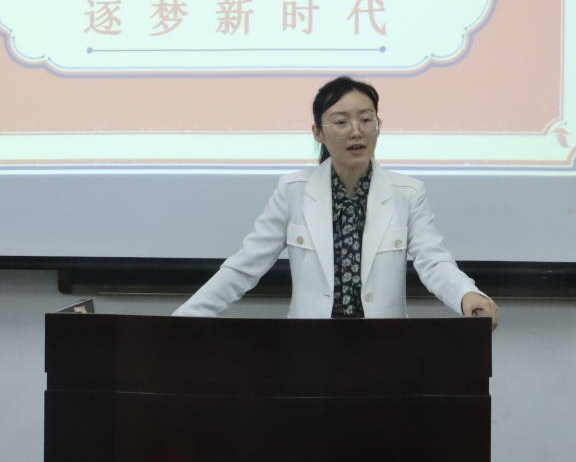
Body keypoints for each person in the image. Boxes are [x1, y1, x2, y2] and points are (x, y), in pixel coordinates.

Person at [174, 76, 498, 327]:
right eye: (341, 122)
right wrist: (184, 319)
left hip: (386, 346)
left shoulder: (407, 193)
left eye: (366, 120)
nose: (356, 132)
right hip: (310, 346)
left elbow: (433, 260)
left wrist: (467, 295)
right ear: (318, 132)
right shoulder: (293, 191)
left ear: (379, 127)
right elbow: (245, 265)